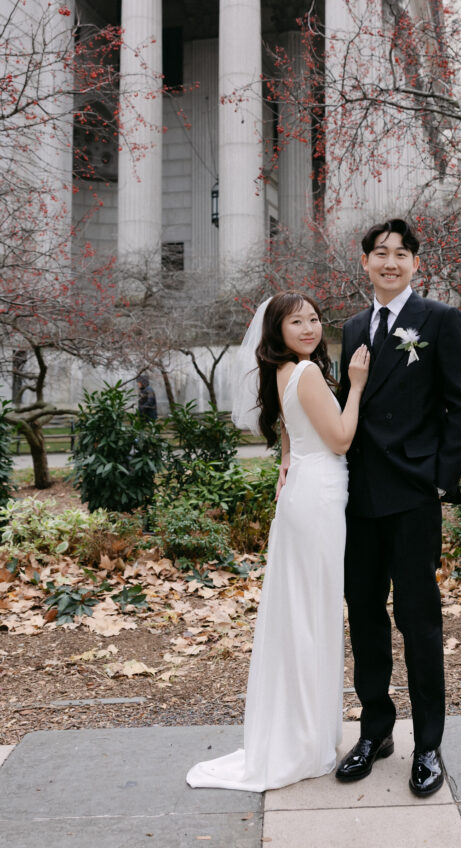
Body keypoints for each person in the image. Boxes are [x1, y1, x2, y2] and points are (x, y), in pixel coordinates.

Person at [186, 292, 369, 792]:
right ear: (278, 330)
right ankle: (306, 737)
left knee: (303, 611)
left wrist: (288, 455)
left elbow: (291, 428)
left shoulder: (287, 370)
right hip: (318, 498)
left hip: (306, 491)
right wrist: (355, 387)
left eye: (313, 319)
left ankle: (304, 729)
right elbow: (340, 439)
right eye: (296, 321)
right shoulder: (308, 373)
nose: (309, 327)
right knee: (313, 613)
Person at [336, 219, 461, 797]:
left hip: (413, 495)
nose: (389, 262)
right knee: (365, 616)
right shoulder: (350, 328)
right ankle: (375, 731)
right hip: (359, 497)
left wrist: (440, 483)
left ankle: (427, 744)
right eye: (379, 254)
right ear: (365, 262)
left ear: (416, 263)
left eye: (401, 254)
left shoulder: (439, 320)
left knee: (418, 621)